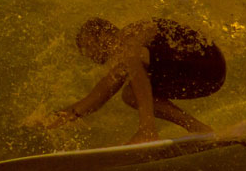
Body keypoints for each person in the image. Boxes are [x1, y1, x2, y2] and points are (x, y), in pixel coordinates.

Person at [44, 17, 226, 144]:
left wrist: (147, 127)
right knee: (130, 95)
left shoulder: (132, 33)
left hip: (209, 62)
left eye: (87, 47)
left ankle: (147, 129)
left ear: (98, 36)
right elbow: (102, 92)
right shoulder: (130, 55)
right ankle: (198, 128)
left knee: (132, 60)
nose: (89, 55)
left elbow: (134, 59)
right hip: (203, 80)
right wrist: (67, 114)